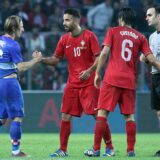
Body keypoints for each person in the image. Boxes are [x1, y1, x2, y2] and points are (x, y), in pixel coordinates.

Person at [84, 7, 160, 157]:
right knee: (129, 116)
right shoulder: (141, 37)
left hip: (112, 78)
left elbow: (104, 53)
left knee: (102, 113)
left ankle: (96, 149)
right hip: (129, 80)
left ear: (121, 19)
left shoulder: (113, 31)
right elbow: (150, 58)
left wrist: (97, 73)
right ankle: (130, 150)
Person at [42, 8, 114, 157]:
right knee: (65, 116)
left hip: (89, 83)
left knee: (97, 115)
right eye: (63, 20)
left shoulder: (89, 36)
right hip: (72, 84)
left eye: (67, 20)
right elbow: (55, 60)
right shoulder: (64, 39)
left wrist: (89, 71)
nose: (64, 23)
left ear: (76, 20)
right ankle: (63, 149)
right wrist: (41, 60)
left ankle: (109, 147)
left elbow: (99, 57)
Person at [0, 15, 42, 157]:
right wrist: (36, 60)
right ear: (14, 28)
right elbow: (21, 67)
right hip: (9, 83)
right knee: (17, 117)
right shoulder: (13, 45)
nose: (23, 29)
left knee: (2, 119)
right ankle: (16, 151)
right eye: (21, 25)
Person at [140, 4, 160, 157]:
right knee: (159, 113)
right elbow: (147, 57)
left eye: (150, 15)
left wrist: (150, 59)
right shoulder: (152, 37)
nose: (146, 18)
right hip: (155, 76)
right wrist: (145, 58)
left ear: (159, 16)